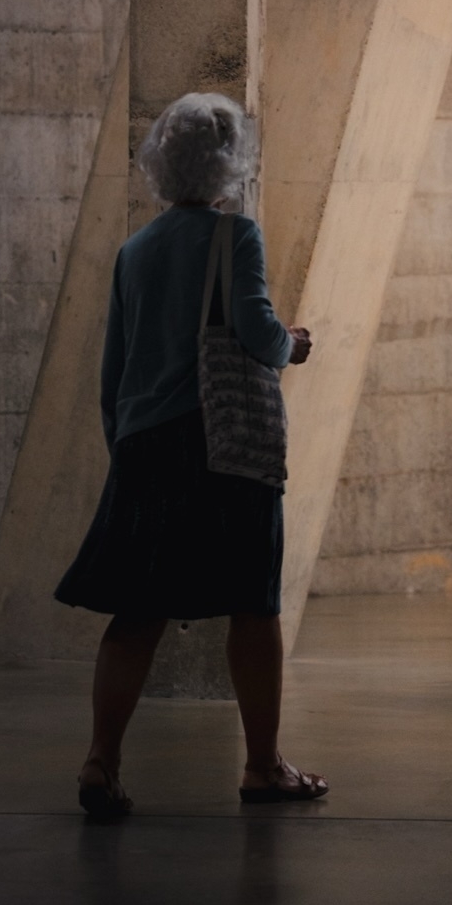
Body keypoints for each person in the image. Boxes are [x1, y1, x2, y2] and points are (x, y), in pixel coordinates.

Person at [55, 91, 328, 818]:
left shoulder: (134, 250)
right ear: (231, 161)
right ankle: (263, 766)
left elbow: (114, 371)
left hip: (144, 446)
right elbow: (255, 330)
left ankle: (100, 762)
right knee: (251, 602)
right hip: (221, 444)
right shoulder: (233, 237)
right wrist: (293, 346)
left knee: (137, 612)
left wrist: (127, 450)